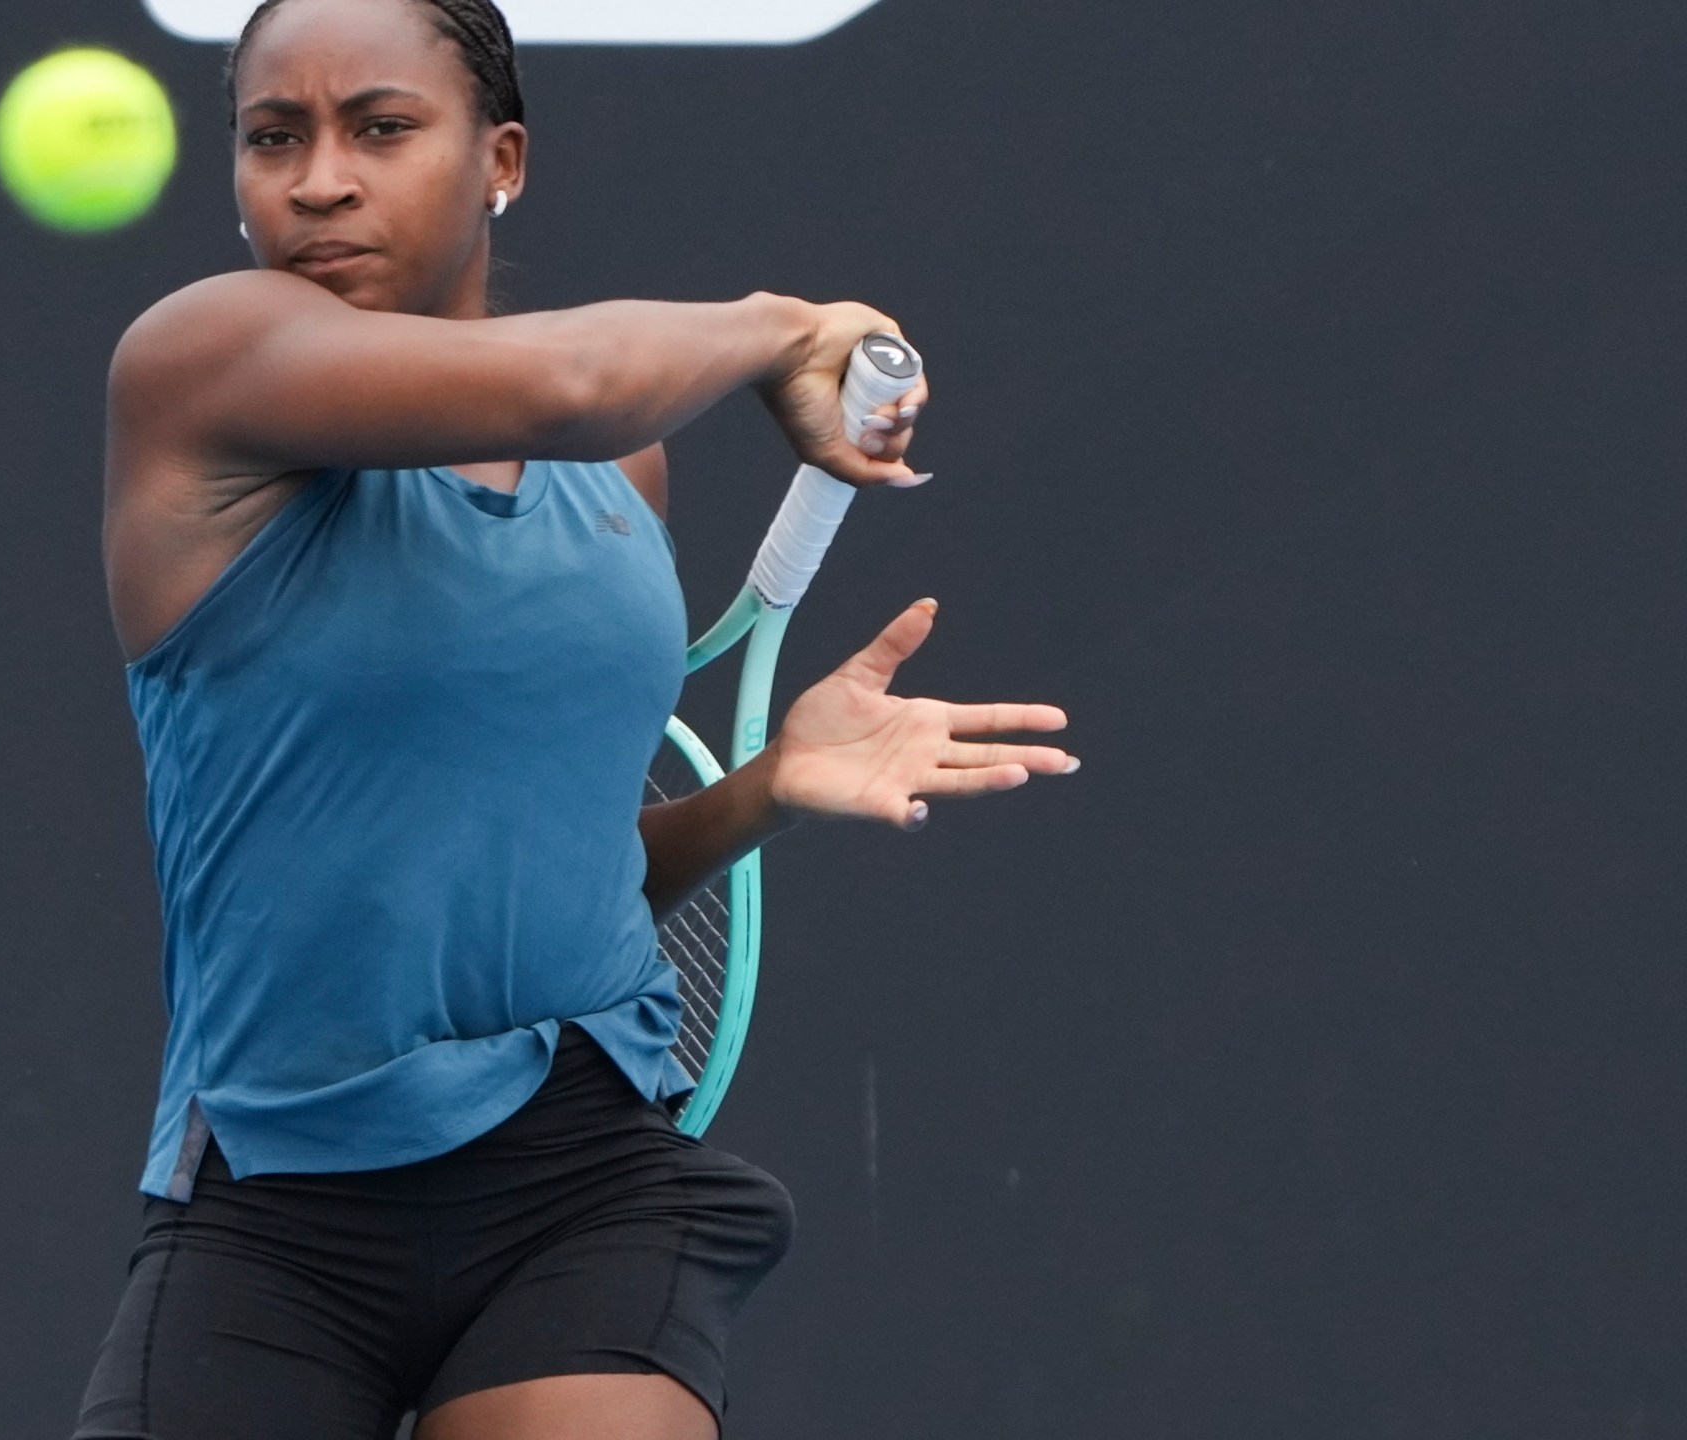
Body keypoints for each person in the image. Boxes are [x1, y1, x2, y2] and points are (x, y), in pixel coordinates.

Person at [77, 2, 1078, 1436]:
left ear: (503, 159)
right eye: (271, 137)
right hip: (272, 1207)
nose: (317, 181)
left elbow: (564, 860)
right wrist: (786, 328)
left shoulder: (623, 483)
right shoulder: (203, 358)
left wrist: (766, 791)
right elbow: (571, 381)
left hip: (579, 1181)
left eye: (380, 127)